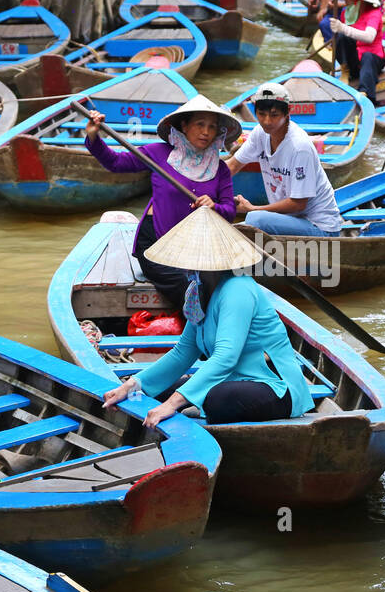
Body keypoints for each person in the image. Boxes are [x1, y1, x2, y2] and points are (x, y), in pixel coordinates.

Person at [102, 207, 314, 426]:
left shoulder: (238, 288)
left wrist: (171, 405)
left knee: (216, 400)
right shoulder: (197, 291)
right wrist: (131, 385)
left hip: (275, 387)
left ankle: (197, 408)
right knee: (154, 391)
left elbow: (226, 356)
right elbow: (182, 352)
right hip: (232, 380)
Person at [82, 95, 237, 308]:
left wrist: (214, 206)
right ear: (184, 125)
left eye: (212, 127)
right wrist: (93, 137)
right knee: (191, 292)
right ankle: (201, 337)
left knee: (227, 288)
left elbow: (229, 210)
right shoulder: (158, 153)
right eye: (200, 124)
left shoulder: (220, 169)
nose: (206, 132)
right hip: (156, 245)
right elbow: (116, 163)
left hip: (197, 248)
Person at [227, 82, 343, 237]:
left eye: (274, 115)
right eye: (261, 114)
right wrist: (202, 185)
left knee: (255, 219)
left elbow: (298, 203)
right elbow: (233, 165)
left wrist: (253, 208)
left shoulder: (300, 147)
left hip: (321, 228)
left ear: (288, 111)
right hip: (290, 219)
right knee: (235, 229)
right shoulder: (259, 133)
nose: (267, 121)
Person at [327, 0, 385, 103]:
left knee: (368, 56)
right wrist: (339, 31)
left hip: (373, 58)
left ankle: (365, 94)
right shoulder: (346, 13)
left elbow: (369, 37)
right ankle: (345, 69)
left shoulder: (373, 13)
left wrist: (343, 28)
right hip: (355, 59)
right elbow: (343, 37)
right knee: (341, 37)